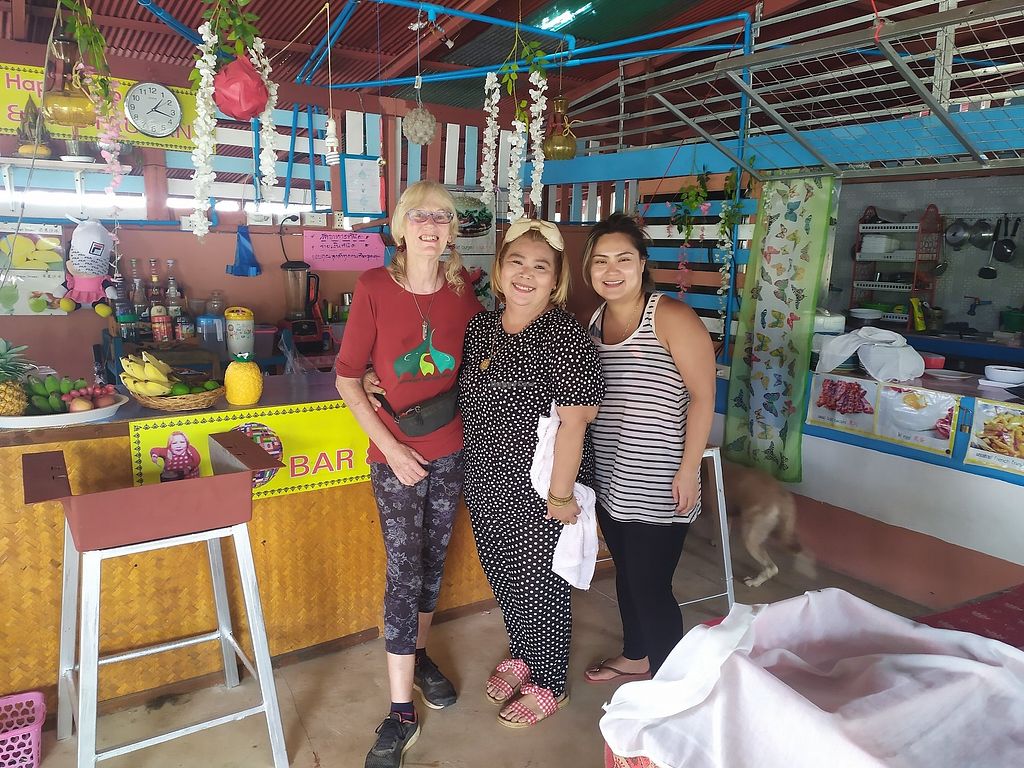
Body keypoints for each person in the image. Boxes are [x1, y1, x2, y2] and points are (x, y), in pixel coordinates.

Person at [334, 180, 482, 768]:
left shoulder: (462, 291)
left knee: (432, 564)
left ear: (452, 231)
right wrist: (392, 449)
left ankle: (417, 657)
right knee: (403, 573)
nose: (430, 225)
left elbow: (480, 361)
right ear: (399, 226)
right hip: (394, 454)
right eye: (418, 215)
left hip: (451, 447)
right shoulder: (373, 286)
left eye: (441, 216)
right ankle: (399, 712)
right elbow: (347, 378)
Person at [458, 218, 605, 727]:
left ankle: (550, 680)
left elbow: (575, 423)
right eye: (516, 262)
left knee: (541, 583)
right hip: (484, 478)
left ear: (556, 279)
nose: (526, 274)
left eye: (541, 267)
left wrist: (561, 496)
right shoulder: (480, 329)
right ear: (499, 269)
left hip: (540, 488)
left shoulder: (566, 338)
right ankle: (523, 652)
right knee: (503, 576)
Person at [580, 212, 716, 683]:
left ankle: (669, 689)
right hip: (611, 476)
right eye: (600, 260)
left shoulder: (671, 317)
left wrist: (688, 470)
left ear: (642, 264)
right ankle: (637, 655)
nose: (611, 270)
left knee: (651, 585)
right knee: (627, 574)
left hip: (659, 479)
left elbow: (702, 397)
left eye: (623, 258)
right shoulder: (593, 322)